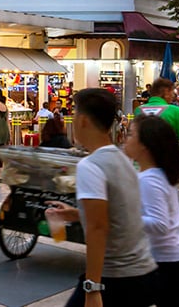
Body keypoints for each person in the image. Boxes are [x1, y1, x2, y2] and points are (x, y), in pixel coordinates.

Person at [43, 88, 160, 306]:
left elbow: (98, 227)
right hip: (142, 274)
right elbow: (121, 211)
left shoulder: (91, 165)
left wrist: (92, 287)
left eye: (75, 113)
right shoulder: (122, 159)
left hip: (115, 278)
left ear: (84, 120)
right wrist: (76, 214)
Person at [124, 116, 179, 307]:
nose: (126, 139)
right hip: (171, 260)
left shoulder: (150, 179)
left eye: (130, 134)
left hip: (165, 265)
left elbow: (160, 224)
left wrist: (125, 217)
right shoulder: (156, 174)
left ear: (145, 145)